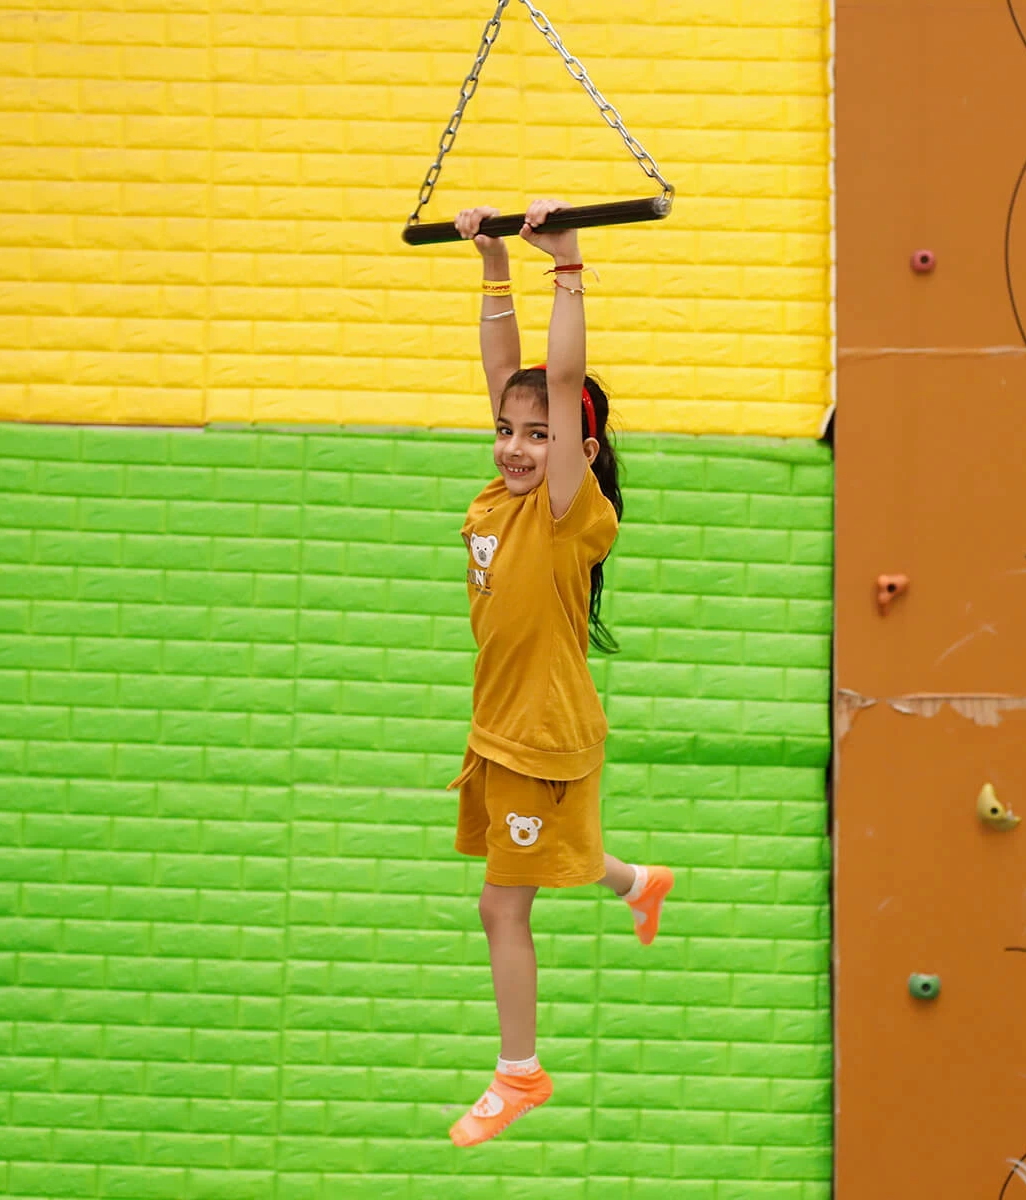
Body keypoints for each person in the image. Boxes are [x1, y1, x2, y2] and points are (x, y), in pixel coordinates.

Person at [445, 199, 675, 1148]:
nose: (515, 445)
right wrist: (493, 268)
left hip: (540, 738)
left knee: (504, 903)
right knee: (546, 867)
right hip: (506, 732)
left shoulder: (568, 515)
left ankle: (519, 1073)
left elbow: (560, 374)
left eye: (539, 437)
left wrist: (567, 267)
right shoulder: (503, 493)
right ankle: (635, 882)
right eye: (508, 431)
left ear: (580, 452)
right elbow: (513, 374)